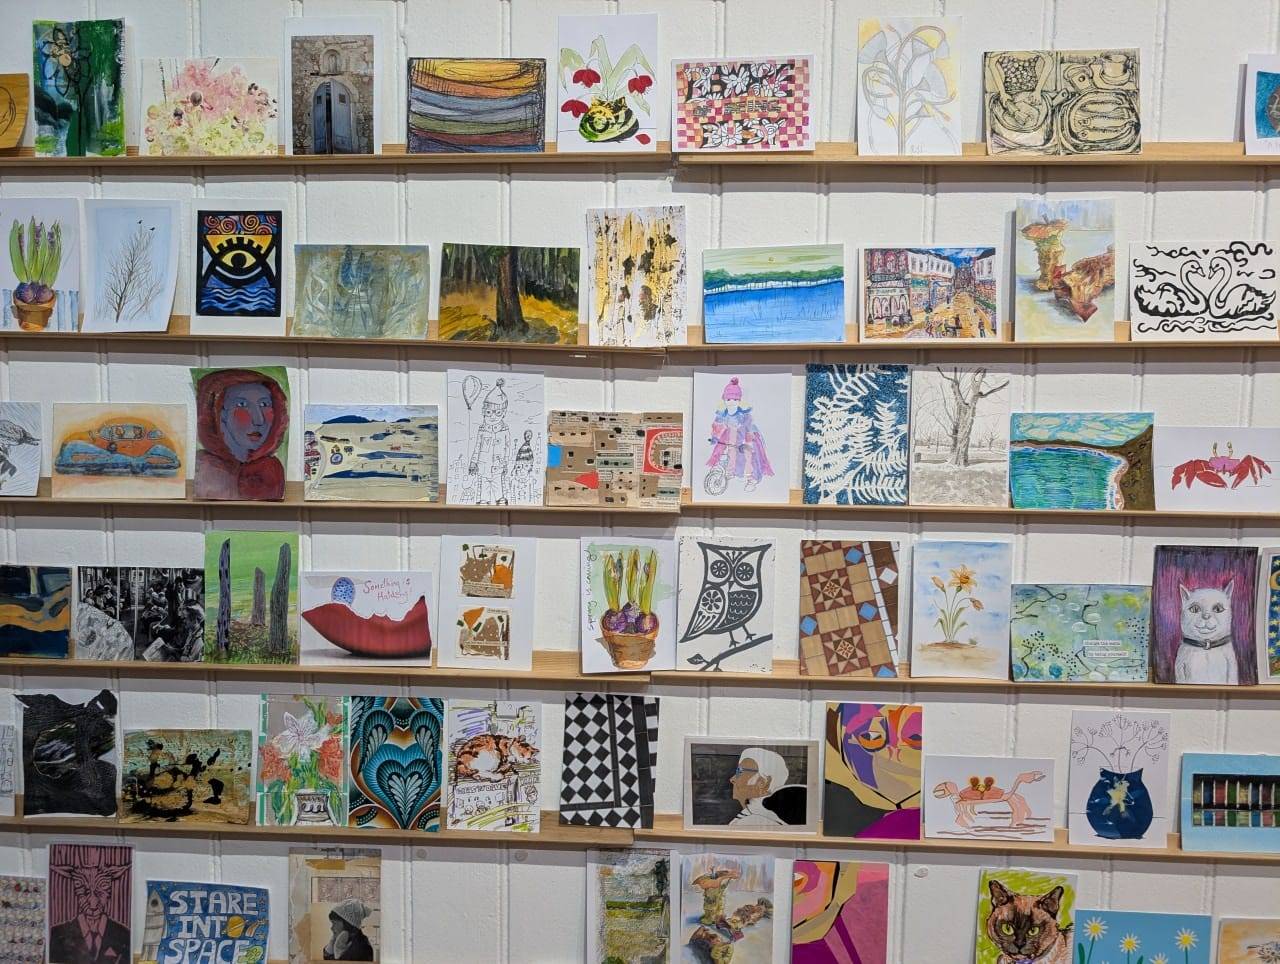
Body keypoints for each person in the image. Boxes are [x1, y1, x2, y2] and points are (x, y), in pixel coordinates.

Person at [194, 368, 289, 500]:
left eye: (264, 404)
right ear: (218, 413)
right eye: (242, 404)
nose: (259, 420)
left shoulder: (272, 471)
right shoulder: (204, 469)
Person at [705, 377, 773, 493]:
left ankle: (751, 479)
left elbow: (749, 428)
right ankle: (730, 471)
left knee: (748, 456)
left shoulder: (744, 415)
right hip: (732, 437)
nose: (731, 402)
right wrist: (715, 437)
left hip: (746, 436)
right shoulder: (723, 414)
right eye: (728, 399)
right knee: (730, 451)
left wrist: (747, 442)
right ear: (724, 400)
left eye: (735, 399)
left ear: (739, 401)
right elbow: (717, 426)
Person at [728, 746, 807, 827]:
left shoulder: (751, 822)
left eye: (740, 771)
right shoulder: (754, 816)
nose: (732, 779)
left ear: (762, 782)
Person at [468, 379, 512, 504]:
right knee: (484, 483)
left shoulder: (504, 431)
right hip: (483, 465)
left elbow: (507, 449)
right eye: (488, 412)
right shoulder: (482, 430)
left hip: (498, 465)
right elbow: (477, 447)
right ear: (484, 413)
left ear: (503, 413)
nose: (492, 417)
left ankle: (500, 499)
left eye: (497, 413)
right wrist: (473, 462)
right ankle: (484, 500)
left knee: (497, 483)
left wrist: (505, 464)